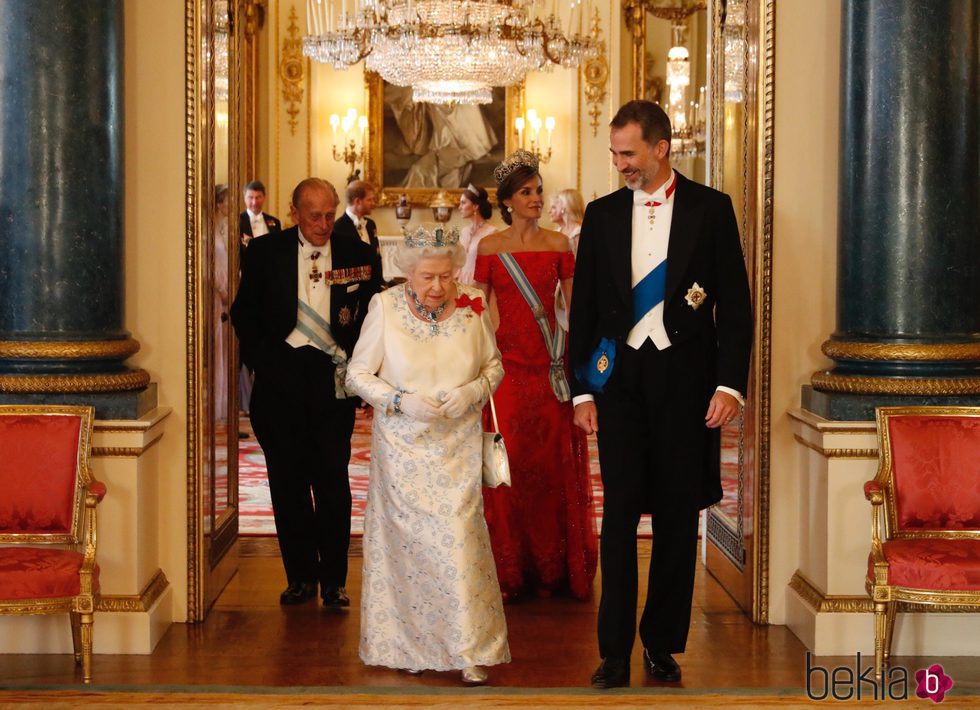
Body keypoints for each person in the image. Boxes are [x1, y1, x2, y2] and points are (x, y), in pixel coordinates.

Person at [568, 100, 752, 689]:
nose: (619, 163)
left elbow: (737, 307)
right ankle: (614, 650)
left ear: (660, 148)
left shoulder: (711, 209)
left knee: (676, 518)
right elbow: (586, 310)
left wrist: (729, 384)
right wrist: (582, 392)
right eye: (615, 154)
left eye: (628, 153)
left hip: (686, 384)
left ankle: (662, 645)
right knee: (619, 516)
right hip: (620, 383)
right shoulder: (600, 215)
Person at [346, 223, 510, 685]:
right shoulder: (385, 307)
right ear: (408, 274)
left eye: (446, 276)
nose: (438, 287)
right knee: (407, 549)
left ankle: (469, 649)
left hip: (456, 446)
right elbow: (356, 375)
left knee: (458, 543)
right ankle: (402, 643)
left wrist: (473, 390)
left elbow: (493, 366)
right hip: (401, 448)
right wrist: (400, 401)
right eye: (427, 278)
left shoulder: (474, 303)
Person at [230, 177, 381, 608]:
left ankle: (334, 581)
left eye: (330, 214)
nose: (323, 223)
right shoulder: (264, 253)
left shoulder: (359, 254)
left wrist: (362, 374)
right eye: (314, 215)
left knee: (333, 482)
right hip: (279, 380)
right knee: (287, 482)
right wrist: (267, 363)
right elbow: (245, 316)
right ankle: (299, 577)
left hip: (332, 380)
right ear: (294, 212)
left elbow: (373, 320)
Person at [474, 150, 598, 603]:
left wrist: (585, 369)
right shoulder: (489, 248)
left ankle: (553, 568)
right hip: (507, 374)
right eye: (526, 192)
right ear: (506, 200)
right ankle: (510, 568)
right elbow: (479, 315)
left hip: (551, 372)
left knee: (551, 469)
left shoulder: (559, 245)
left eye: (539, 190)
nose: (537, 198)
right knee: (509, 470)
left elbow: (576, 311)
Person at [333, 180, 384, 284]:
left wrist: (380, 283)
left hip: (372, 287)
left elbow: (376, 256)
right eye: (369, 200)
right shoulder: (338, 227)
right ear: (357, 201)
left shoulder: (370, 224)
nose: (373, 203)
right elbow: (340, 266)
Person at [213, 184, 231, 420]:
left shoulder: (223, 227)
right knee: (217, 350)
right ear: (218, 203)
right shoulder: (210, 230)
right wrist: (222, 289)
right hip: (218, 296)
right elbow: (211, 266)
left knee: (224, 351)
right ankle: (216, 406)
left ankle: (223, 406)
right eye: (228, 200)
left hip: (226, 294)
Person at [457, 184, 495, 285]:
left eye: (463, 203)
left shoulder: (491, 232)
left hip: (479, 286)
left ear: (475, 206)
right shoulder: (464, 231)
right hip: (460, 284)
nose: (459, 207)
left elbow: (491, 268)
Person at [239, 180, 282, 252]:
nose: (254, 202)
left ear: (264, 197)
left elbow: (279, 248)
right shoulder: (236, 221)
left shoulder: (275, 222)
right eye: (250, 197)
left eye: (258, 197)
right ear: (244, 198)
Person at [548, 188, 585, 255]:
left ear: (566, 205)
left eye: (555, 205)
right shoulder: (559, 230)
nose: (549, 211)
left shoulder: (578, 232)